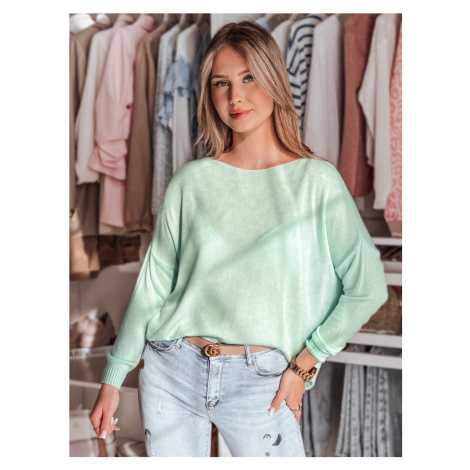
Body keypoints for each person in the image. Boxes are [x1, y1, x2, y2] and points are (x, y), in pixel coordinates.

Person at [89, 20, 388, 457]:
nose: (235, 97)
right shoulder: (191, 182)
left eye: (249, 78)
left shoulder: (316, 182)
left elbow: (367, 288)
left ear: (273, 79)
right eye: (221, 83)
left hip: (262, 379)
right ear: (209, 94)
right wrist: (114, 376)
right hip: (172, 369)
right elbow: (153, 286)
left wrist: (305, 365)